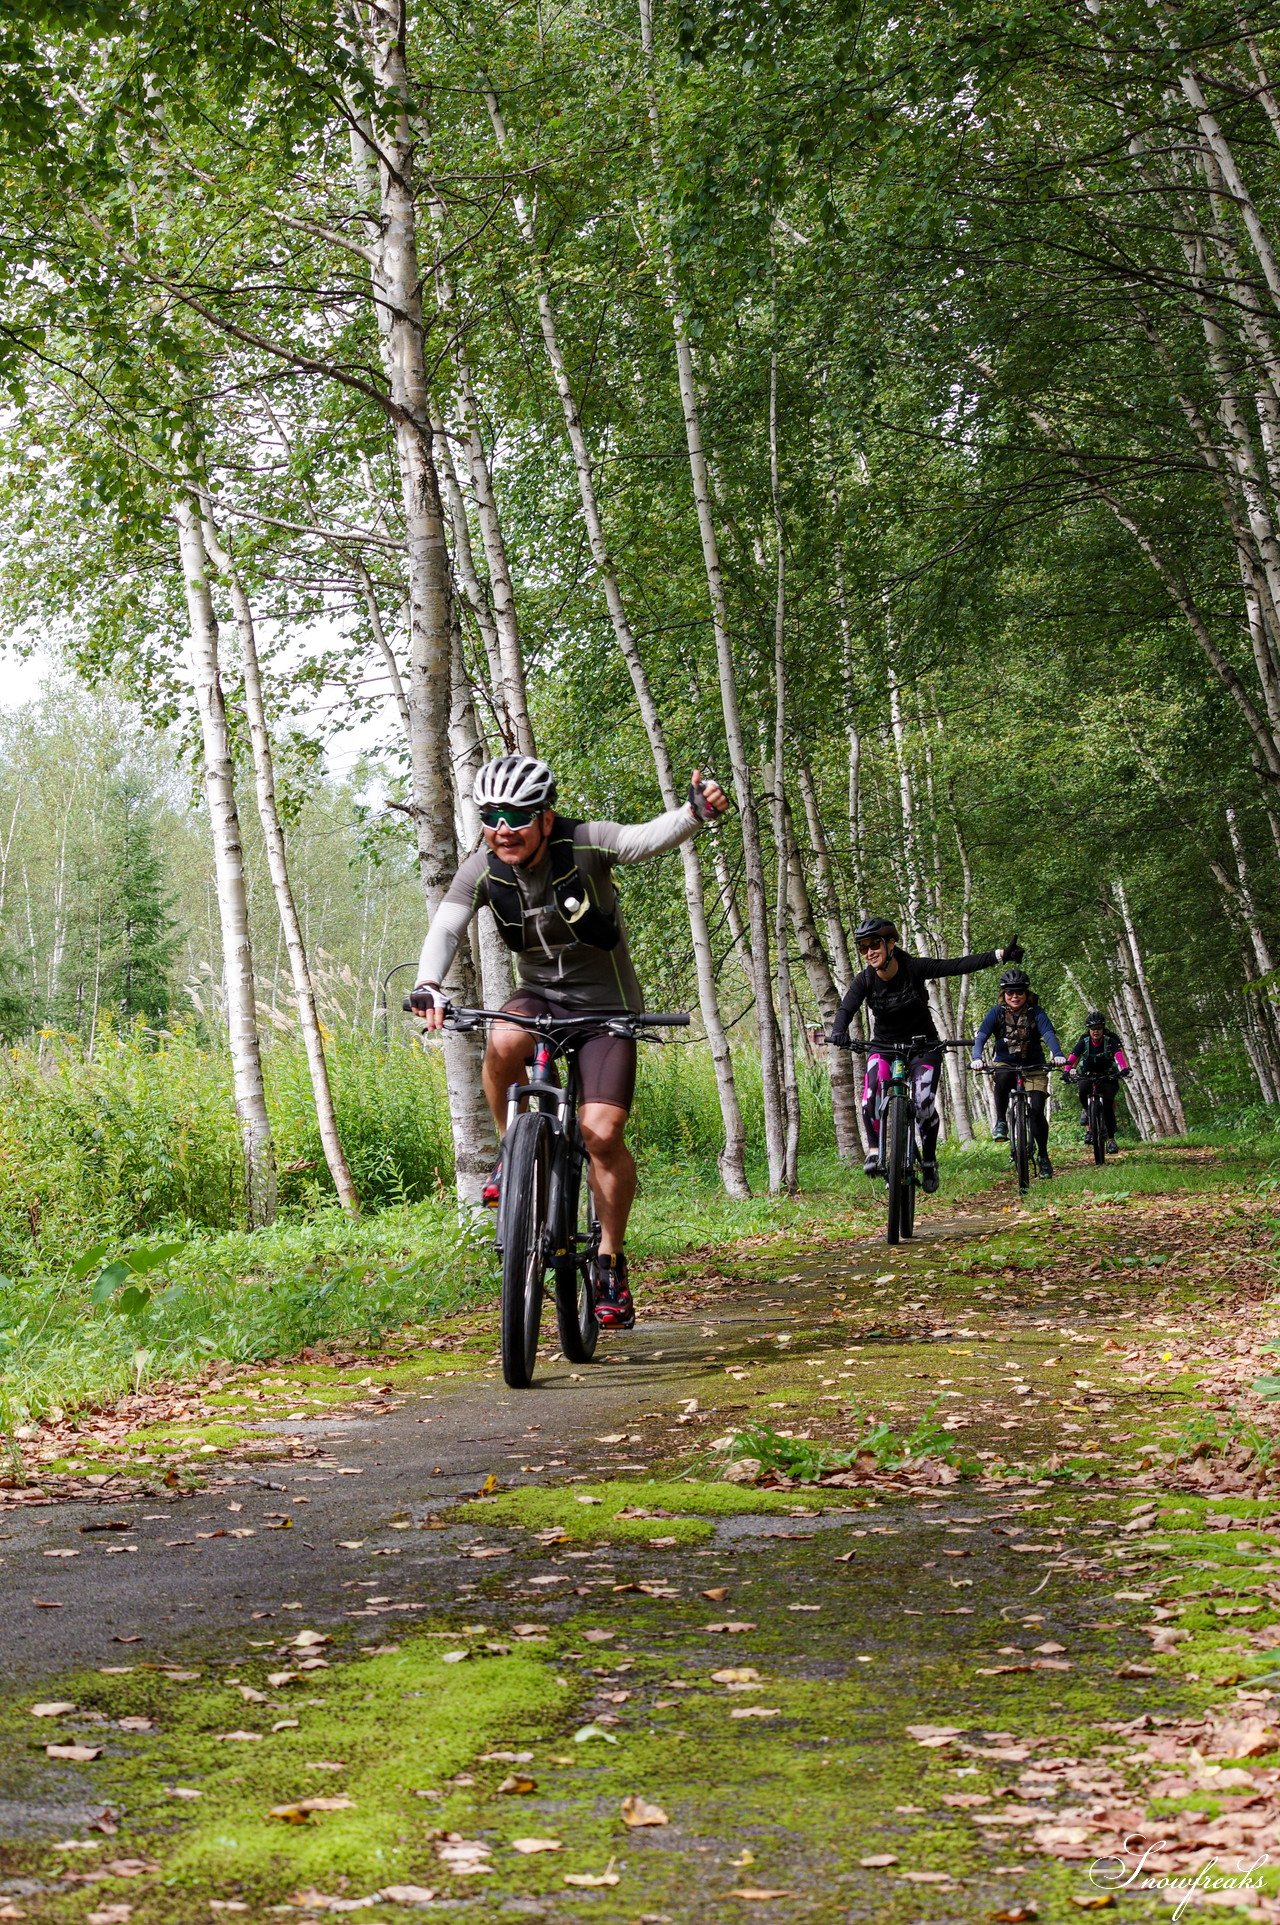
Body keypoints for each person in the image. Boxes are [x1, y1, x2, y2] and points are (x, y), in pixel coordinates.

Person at [409, 753, 728, 1332]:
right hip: (539, 998)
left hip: (608, 1008)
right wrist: (428, 983)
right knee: (504, 1034)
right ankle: (514, 1153)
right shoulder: (480, 868)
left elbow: (643, 839)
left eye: (518, 815)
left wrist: (694, 812)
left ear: (545, 819)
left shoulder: (585, 843)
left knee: (601, 1133)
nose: (504, 827)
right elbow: (447, 926)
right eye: (492, 815)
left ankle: (608, 1260)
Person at [830, 918, 1022, 1195]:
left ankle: (929, 1160)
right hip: (884, 1045)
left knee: (923, 1101)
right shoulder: (865, 980)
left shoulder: (914, 968)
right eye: (863, 947)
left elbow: (956, 965)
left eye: (875, 944)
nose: (869, 951)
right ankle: (874, 1151)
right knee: (871, 1092)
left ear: (891, 943)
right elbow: (846, 1009)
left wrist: (1000, 955)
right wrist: (839, 1031)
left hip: (924, 1046)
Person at [970, 969, 1066, 1179]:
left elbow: (1048, 1034)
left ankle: (1043, 1155)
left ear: (1026, 993)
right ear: (1003, 994)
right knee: (1002, 1077)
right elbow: (982, 1036)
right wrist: (977, 1057)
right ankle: (1001, 1121)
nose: (1015, 996)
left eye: (1019, 992)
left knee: (1037, 1110)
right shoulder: (995, 1013)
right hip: (1006, 1062)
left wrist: (1057, 1054)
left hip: (1034, 1065)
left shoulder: (1036, 1013)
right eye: (1010, 993)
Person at [1064, 1011, 1131, 1154]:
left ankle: (1111, 1140)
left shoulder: (1110, 1040)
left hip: (1107, 1075)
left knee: (1108, 1104)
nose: (1096, 1031)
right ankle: (1087, 1114)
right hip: (1088, 1075)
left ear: (1103, 1028)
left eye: (1099, 1028)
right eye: (1093, 1028)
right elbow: (1073, 1056)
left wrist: (1124, 1068)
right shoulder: (1084, 1042)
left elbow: (1118, 1054)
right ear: (1089, 1029)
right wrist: (1066, 1071)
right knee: (1083, 1091)